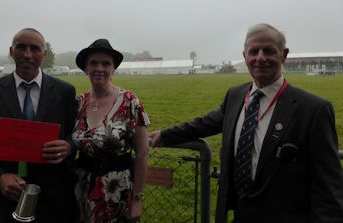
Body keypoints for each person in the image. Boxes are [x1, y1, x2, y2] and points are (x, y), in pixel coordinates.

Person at [150, 23, 343, 223]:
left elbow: (328, 187)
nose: (260, 57)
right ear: (245, 56)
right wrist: (166, 135)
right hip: (241, 214)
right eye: (254, 52)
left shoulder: (314, 110)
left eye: (268, 51)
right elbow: (206, 123)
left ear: (284, 55)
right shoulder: (235, 96)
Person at [0, 28, 77, 223]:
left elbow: (75, 137)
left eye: (35, 48)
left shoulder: (64, 92)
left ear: (45, 54)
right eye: (21, 47)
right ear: (11, 51)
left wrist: (69, 147)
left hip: (55, 197)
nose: (27, 54)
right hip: (9, 198)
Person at [72, 39, 150, 223]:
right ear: (86, 68)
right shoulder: (78, 103)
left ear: (113, 69)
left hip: (117, 193)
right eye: (94, 63)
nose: (99, 68)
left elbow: (142, 154)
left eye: (106, 64)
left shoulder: (129, 101)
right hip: (81, 189)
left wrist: (137, 198)